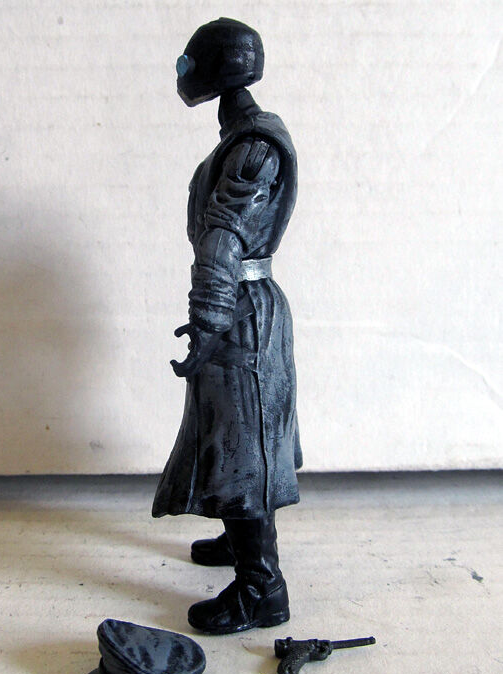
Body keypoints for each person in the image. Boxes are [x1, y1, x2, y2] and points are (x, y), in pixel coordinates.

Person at [152, 18, 302, 635]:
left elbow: (224, 235)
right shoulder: (242, 136)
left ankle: (261, 588)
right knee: (232, 437)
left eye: (189, 62)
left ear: (214, 68)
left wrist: (208, 318)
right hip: (240, 306)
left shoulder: (253, 146)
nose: (182, 73)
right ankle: (238, 533)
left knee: (247, 446)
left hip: (241, 309)